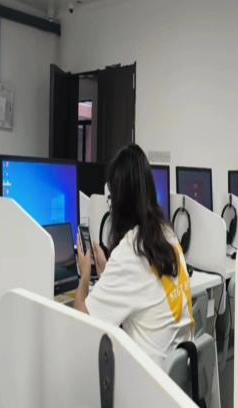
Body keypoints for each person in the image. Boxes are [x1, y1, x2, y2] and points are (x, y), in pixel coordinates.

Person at [75, 144, 194, 365]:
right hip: (176, 376)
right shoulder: (168, 235)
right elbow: (141, 289)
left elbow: (82, 323)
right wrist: (106, 272)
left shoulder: (130, 250)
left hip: (147, 378)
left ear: (120, 201)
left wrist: (84, 276)